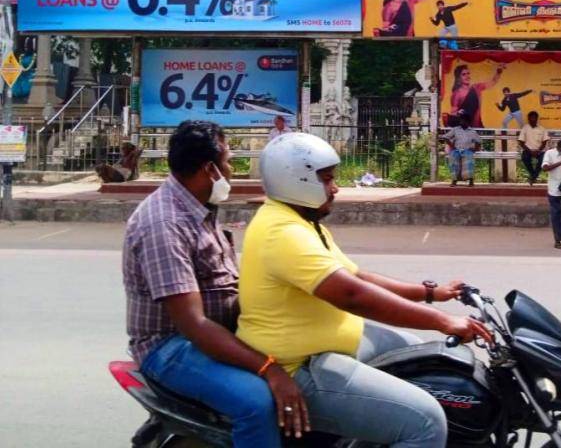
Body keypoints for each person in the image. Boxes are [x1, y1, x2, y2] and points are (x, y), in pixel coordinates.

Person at [237, 133, 491, 447]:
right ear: (296, 180)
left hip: (341, 341)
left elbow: (358, 278)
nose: (335, 188)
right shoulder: (283, 232)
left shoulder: (302, 222)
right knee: (426, 422)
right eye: (327, 180)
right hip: (300, 366)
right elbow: (352, 295)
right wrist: (443, 321)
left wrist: (430, 293)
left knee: (431, 360)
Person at [122, 121, 305, 447]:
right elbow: (193, 324)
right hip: (170, 347)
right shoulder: (165, 223)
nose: (231, 169)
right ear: (210, 168)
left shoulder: (197, 207)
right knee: (255, 402)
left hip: (211, 334)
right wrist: (268, 369)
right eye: (228, 161)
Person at [448, 63, 505, 127]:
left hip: (478, 126)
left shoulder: (476, 87)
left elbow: (493, 82)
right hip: (465, 128)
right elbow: (453, 113)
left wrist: (498, 71)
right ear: (458, 78)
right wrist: (458, 113)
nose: (467, 76)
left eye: (468, 73)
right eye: (464, 74)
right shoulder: (457, 93)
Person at [439, 115, 481, 186]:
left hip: (467, 150)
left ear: (467, 122)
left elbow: (478, 141)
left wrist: (474, 149)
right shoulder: (455, 129)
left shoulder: (472, 132)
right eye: (460, 120)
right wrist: (452, 145)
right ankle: (454, 180)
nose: (461, 122)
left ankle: (471, 181)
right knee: (453, 161)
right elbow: (446, 137)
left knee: (469, 162)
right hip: (457, 150)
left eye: (463, 120)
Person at [518, 111, 548, 185]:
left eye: (534, 117)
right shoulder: (525, 128)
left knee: (543, 159)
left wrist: (538, 151)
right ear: (528, 119)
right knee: (524, 157)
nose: (533, 119)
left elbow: (544, 142)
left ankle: (533, 177)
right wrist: (530, 151)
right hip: (528, 150)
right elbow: (521, 142)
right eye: (531, 117)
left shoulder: (542, 129)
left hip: (539, 150)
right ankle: (533, 174)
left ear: (537, 119)